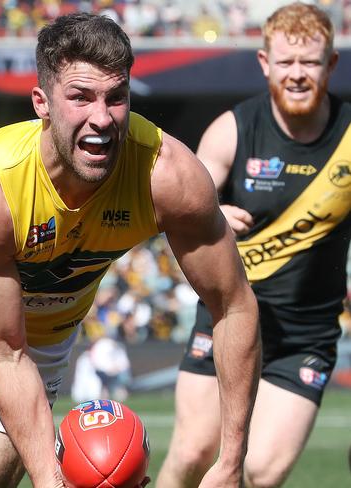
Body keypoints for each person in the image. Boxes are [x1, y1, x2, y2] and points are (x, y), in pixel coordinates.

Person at [0, 13, 260, 488]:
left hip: (36, 335)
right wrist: (48, 479)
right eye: (80, 97)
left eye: (116, 98)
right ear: (42, 103)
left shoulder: (170, 175)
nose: (101, 118)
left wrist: (231, 460)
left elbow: (233, 307)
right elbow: (4, 352)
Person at [158, 3, 350, 487]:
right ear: (265, 63)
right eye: (286, 62)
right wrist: (210, 213)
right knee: (193, 450)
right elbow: (179, 205)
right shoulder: (232, 130)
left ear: (330, 65)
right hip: (226, 316)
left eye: (309, 62)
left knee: (260, 471)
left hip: (304, 337)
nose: (298, 74)